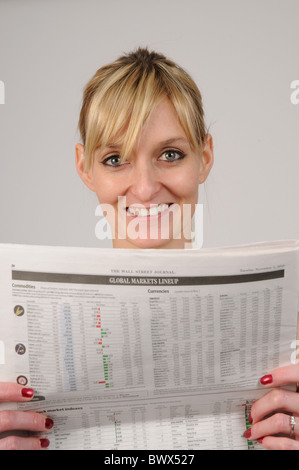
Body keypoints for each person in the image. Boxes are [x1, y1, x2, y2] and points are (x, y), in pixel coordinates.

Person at [0, 48, 298, 450]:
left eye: (170, 154)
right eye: (115, 158)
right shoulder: (9, 342)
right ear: (84, 167)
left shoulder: (288, 335)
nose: (143, 188)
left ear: (204, 157)